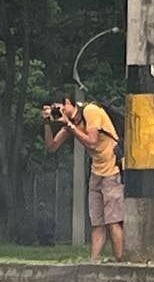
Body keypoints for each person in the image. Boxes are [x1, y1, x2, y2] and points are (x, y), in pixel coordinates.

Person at [43, 89, 124, 261]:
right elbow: (52, 146)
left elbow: (93, 142)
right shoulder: (70, 122)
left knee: (113, 221)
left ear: (68, 103)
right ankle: (94, 262)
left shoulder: (90, 111)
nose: (59, 113)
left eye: (59, 109)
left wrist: (70, 126)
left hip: (112, 168)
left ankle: (121, 262)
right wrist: (47, 124)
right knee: (97, 222)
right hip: (96, 170)